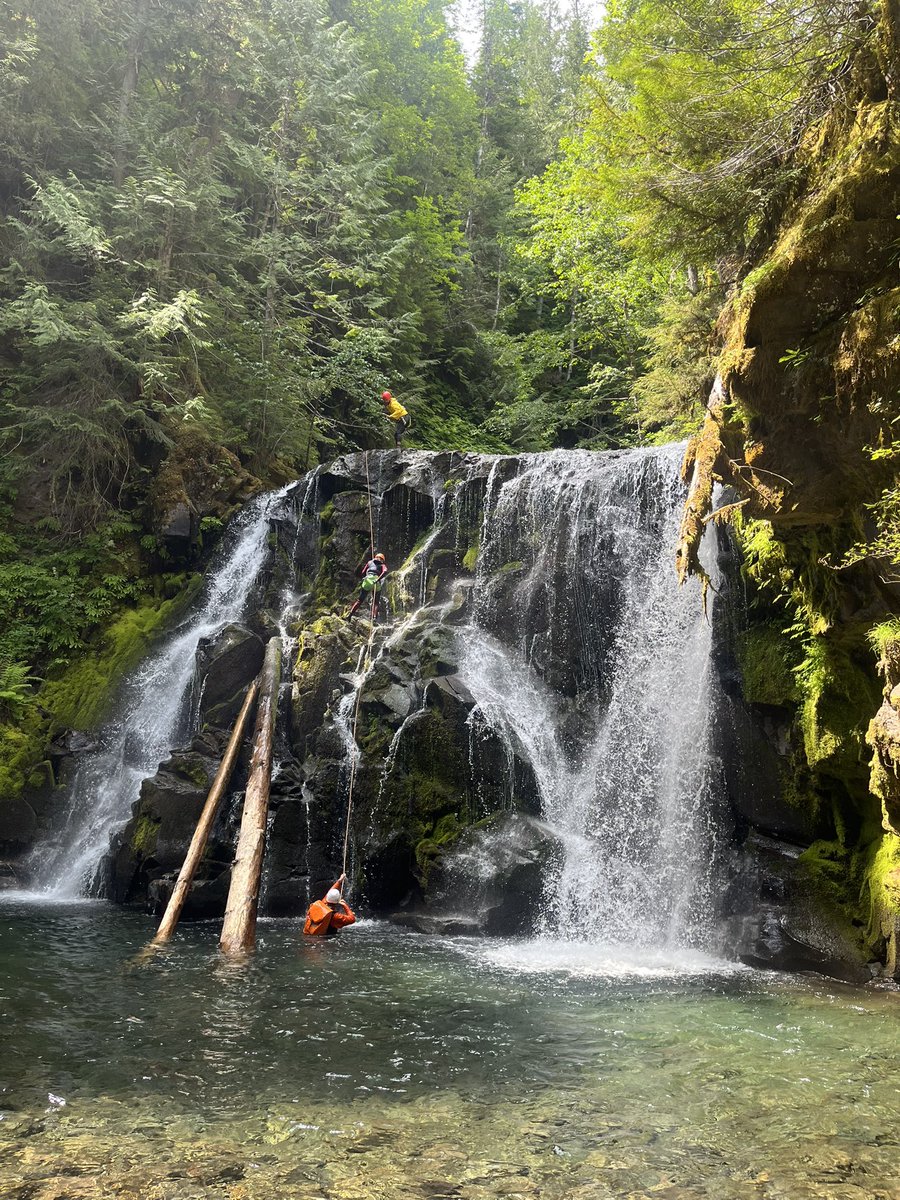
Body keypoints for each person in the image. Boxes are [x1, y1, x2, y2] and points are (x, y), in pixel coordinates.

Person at [347, 551, 388, 618]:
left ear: (376, 557)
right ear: (382, 560)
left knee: (359, 600)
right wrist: (378, 579)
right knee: (376, 602)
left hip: (367, 580)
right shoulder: (382, 565)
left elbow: (363, 572)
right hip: (376, 581)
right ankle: (374, 618)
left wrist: (365, 577)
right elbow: (385, 571)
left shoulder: (369, 562)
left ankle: (350, 615)